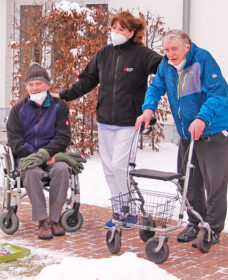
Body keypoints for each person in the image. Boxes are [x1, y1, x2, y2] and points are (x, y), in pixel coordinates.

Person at [57, 11, 162, 227]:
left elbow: (165, 70)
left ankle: (129, 210)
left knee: (119, 167)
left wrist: (149, 110)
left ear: (132, 32)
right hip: (105, 120)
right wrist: (64, 95)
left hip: (129, 122)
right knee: (108, 168)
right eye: (113, 28)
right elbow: (86, 81)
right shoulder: (104, 53)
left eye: (121, 29)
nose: (115, 32)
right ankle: (118, 212)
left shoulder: (142, 54)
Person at [136, 29, 228, 248]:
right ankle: (194, 221)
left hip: (216, 126)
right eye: (166, 50)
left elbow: (217, 93)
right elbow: (155, 88)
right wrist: (148, 110)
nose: (170, 54)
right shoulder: (166, 66)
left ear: (187, 47)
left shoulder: (203, 60)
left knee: (214, 181)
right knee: (187, 178)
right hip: (187, 130)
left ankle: (212, 227)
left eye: (174, 49)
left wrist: (202, 118)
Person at [7, 62, 85, 240]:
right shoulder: (18, 110)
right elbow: (15, 141)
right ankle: (42, 220)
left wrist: (48, 154)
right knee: (31, 171)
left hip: (53, 154)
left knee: (62, 169)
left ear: (47, 85)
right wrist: (36, 157)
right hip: (28, 157)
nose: (35, 88)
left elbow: (63, 137)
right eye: (31, 84)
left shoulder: (59, 107)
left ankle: (55, 219)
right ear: (26, 87)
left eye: (39, 84)